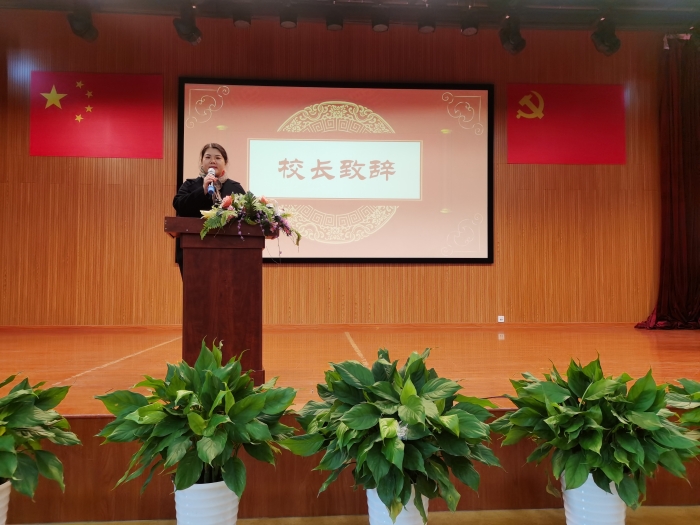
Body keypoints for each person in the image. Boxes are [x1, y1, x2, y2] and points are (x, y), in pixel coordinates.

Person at [173, 143, 245, 274]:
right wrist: (203, 190)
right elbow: (178, 205)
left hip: (230, 253)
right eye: (208, 157)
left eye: (218, 157)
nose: (213, 161)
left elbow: (245, 216)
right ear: (201, 161)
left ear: (225, 162)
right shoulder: (189, 185)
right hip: (193, 254)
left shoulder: (235, 188)